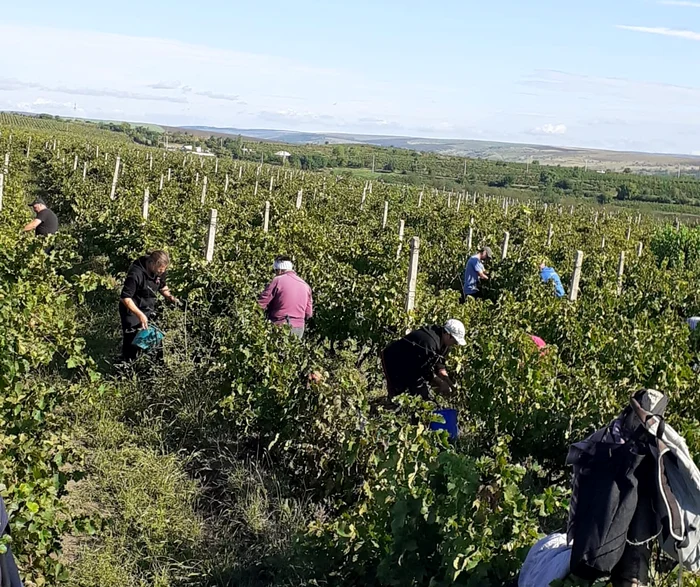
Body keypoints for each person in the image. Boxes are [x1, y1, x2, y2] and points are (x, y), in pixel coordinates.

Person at [380, 319, 466, 401]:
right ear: (448, 334)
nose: (455, 344)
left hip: (412, 364)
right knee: (398, 394)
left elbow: (440, 365)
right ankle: (384, 410)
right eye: (455, 341)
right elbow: (422, 370)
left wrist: (450, 383)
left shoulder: (445, 345)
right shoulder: (428, 343)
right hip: (394, 360)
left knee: (421, 395)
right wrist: (440, 383)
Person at [119, 250, 179, 362]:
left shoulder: (160, 270)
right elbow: (125, 297)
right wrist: (140, 315)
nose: (162, 272)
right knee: (132, 342)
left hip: (148, 307)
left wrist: (170, 297)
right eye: (160, 270)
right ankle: (126, 368)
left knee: (155, 339)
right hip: (132, 310)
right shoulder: (136, 273)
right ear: (151, 263)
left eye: (163, 270)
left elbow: (162, 286)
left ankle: (154, 367)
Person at [258, 255, 313, 339]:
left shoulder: (277, 281)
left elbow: (261, 303)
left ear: (279, 270)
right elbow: (308, 313)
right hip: (299, 328)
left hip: (280, 325)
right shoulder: (305, 285)